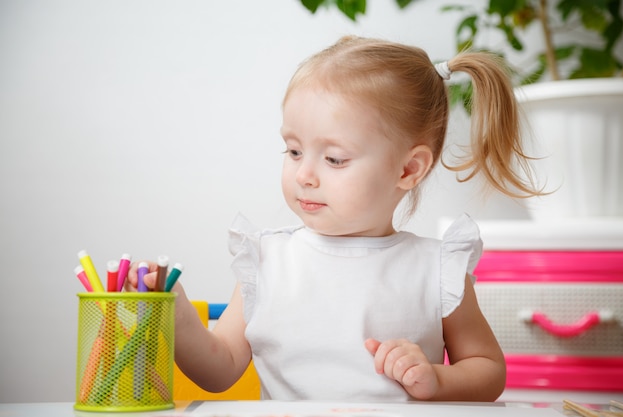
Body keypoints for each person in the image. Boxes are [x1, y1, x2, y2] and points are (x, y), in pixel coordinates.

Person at [127, 36, 542, 402]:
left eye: (333, 159)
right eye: (293, 151)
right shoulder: (266, 260)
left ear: (407, 170)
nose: (304, 175)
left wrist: (436, 378)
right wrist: (175, 314)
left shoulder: (436, 270)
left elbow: (488, 371)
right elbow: (219, 371)